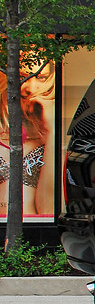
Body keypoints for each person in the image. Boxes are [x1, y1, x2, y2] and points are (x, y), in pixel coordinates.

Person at [0, 60, 56, 217]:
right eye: (22, 76)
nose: (29, 88)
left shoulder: (51, 135)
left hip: (34, 228)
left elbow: (48, 210)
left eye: (41, 78)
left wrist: (52, 133)